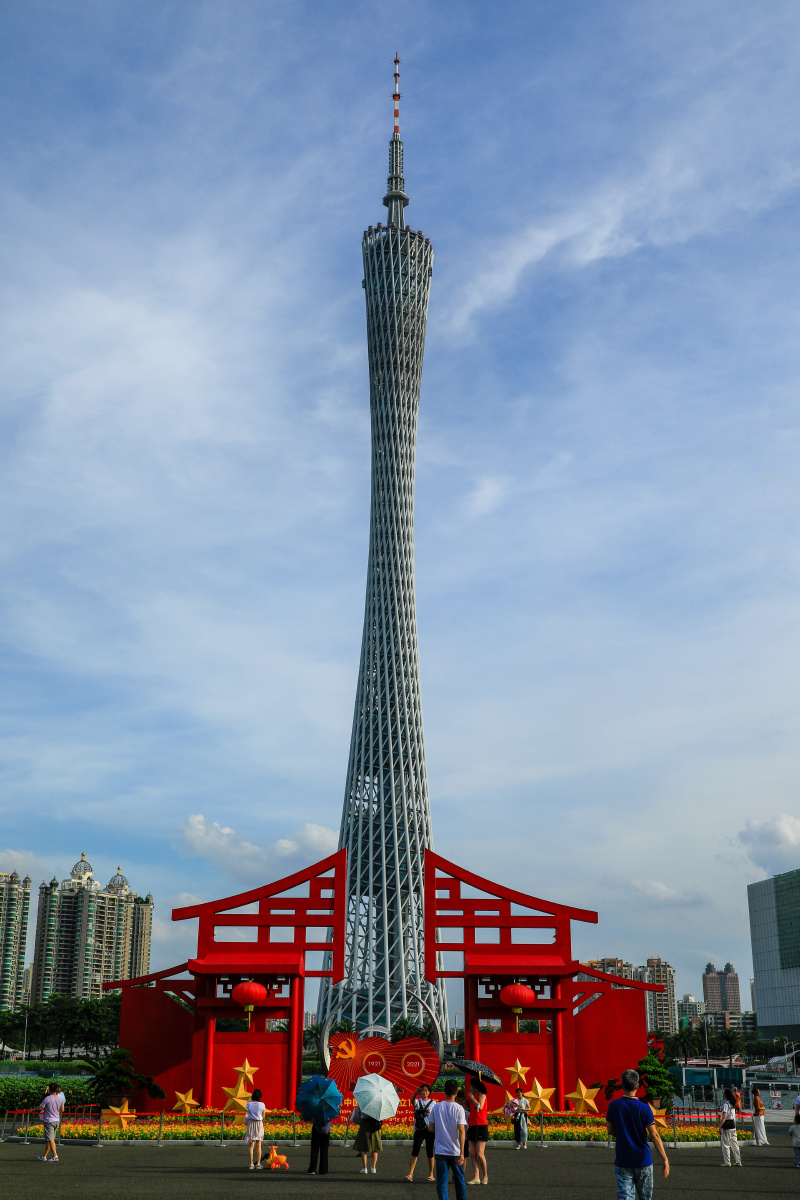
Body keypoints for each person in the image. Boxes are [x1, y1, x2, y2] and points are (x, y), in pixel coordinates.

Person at [606, 1068, 669, 1199]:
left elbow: (610, 1130)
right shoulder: (645, 1108)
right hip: (643, 1160)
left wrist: (623, 1136)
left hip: (623, 1159)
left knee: (625, 1196)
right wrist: (665, 1159)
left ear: (622, 1085)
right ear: (638, 1086)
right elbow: (654, 1135)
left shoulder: (614, 1105)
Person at [428, 1078, 467, 1200]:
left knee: (442, 1183)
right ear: (456, 1092)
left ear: (444, 1091)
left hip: (441, 1151)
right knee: (459, 1182)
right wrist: (462, 1153)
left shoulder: (437, 1107)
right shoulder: (459, 1108)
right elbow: (461, 1130)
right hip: (455, 1151)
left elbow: (430, 1128)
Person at [406, 1084, 436, 1182]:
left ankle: (431, 1174)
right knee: (415, 1150)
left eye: (426, 1090)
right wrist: (416, 1093)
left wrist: (429, 1114)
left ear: (429, 1092)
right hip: (419, 1129)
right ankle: (410, 1174)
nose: (424, 1092)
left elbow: (435, 1115)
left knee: (430, 1151)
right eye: (423, 1090)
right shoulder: (418, 1101)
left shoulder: (433, 1103)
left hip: (429, 1129)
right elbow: (412, 1101)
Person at [466, 1079, 488, 1185]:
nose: (470, 1088)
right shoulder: (474, 1096)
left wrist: (472, 1097)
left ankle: (485, 1175)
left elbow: (480, 1106)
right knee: (472, 1152)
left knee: (479, 1153)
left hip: (481, 1125)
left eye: (471, 1086)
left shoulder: (481, 1094)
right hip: (472, 1125)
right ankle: (476, 1177)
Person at [37, 1082, 65, 1163]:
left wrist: (32, 1110)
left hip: (49, 1120)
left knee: (50, 1139)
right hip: (56, 1120)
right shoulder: (60, 1099)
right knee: (50, 1139)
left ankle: (55, 1156)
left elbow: (40, 1107)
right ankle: (44, 1156)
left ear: (49, 1090)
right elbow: (62, 1110)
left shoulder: (47, 1098)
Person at [354, 1109, 382, 1174]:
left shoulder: (362, 1103)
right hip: (374, 1124)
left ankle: (365, 1168)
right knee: (375, 1147)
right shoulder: (377, 1105)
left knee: (363, 1147)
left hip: (364, 1123)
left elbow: (359, 1114)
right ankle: (373, 1168)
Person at [244, 1087, 266, 1169]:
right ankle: (258, 1164)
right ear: (260, 1096)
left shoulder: (249, 1104)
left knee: (251, 1145)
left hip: (251, 1124)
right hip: (259, 1124)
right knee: (258, 1145)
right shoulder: (262, 1104)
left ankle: (251, 1164)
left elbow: (248, 1113)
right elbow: (263, 1116)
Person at [719, 1087, 741, 1167]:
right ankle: (738, 1161)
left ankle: (727, 1162)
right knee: (735, 1144)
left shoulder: (726, 1104)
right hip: (733, 1125)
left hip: (727, 1125)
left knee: (726, 1144)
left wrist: (720, 1126)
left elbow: (724, 1116)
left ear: (726, 1096)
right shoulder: (732, 1104)